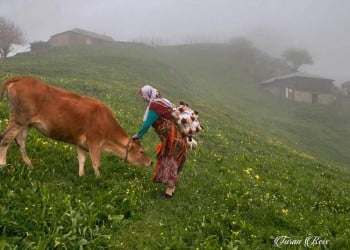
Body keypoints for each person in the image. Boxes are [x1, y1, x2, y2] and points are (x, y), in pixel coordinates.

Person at [133, 85, 187, 199]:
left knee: (169, 161)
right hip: (177, 138)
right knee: (171, 160)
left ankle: (169, 192)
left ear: (147, 95)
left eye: (143, 96)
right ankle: (171, 188)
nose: (143, 99)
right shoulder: (163, 102)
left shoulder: (155, 106)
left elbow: (147, 124)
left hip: (172, 140)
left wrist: (138, 135)